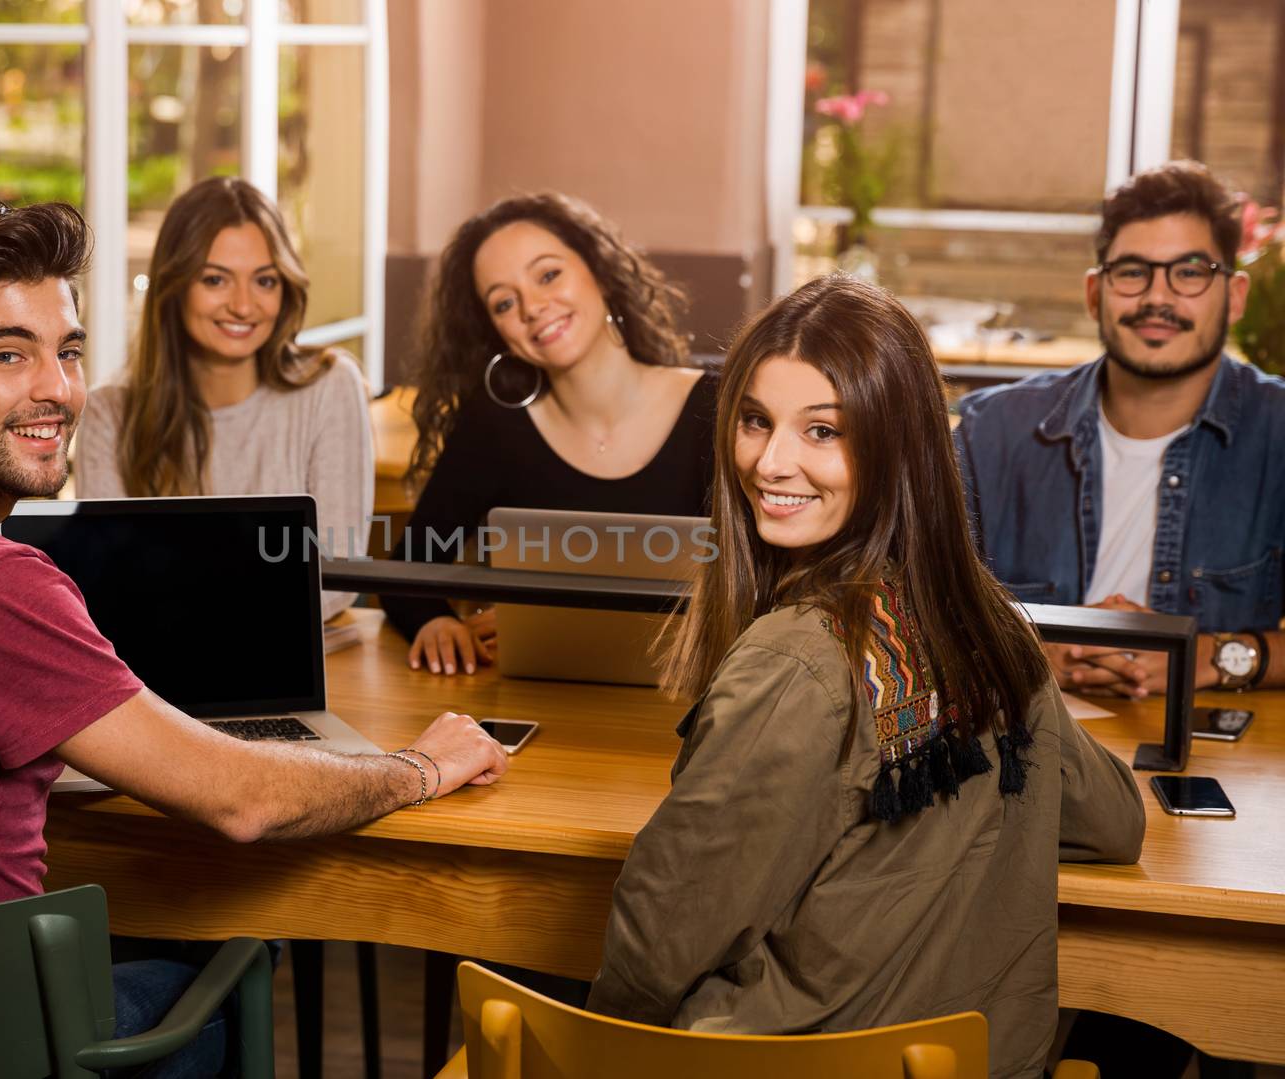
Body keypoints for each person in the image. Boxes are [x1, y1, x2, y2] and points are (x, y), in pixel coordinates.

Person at [0, 198, 506, 1077]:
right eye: (8, 354)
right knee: (236, 957)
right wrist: (421, 766)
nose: (57, 388)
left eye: (67, 350)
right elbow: (244, 800)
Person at [585, 274, 1144, 1079]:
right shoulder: (988, 627)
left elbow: (661, 936)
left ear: (898, 444)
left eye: (823, 431)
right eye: (754, 420)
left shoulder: (797, 664)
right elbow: (1115, 821)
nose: (771, 462)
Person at [957, 160, 1285, 701]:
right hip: (1023, 749)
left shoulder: (1276, 434)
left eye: (1191, 271)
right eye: (1132, 271)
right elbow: (901, 601)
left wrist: (1213, 656)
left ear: (1235, 295)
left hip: (1209, 759)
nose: (1159, 297)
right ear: (1094, 294)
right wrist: (1027, 651)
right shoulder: (986, 433)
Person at [385, 192, 715, 675]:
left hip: (693, 706)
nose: (533, 307)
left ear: (600, 271)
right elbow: (404, 571)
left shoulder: (719, 408)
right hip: (542, 707)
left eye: (548, 275)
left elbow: (776, 582)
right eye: (503, 302)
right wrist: (435, 622)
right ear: (496, 331)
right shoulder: (495, 428)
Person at [75, 176, 373, 619]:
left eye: (265, 281)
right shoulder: (108, 412)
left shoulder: (330, 386)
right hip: (158, 667)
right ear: (173, 287)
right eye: (216, 280)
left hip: (299, 658)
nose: (244, 305)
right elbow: (112, 583)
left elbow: (336, 578)